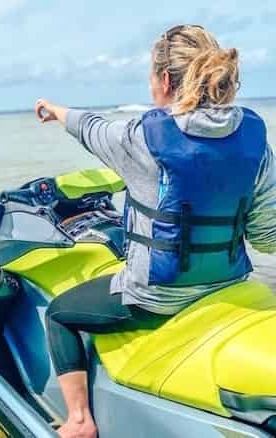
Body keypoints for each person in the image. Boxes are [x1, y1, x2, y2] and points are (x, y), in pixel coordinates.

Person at [35, 24, 276, 438]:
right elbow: (266, 237)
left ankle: (78, 421)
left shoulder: (143, 139)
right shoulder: (254, 141)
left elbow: (92, 129)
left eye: (151, 76)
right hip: (229, 283)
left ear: (164, 80)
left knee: (59, 314)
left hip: (156, 297)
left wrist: (56, 111)